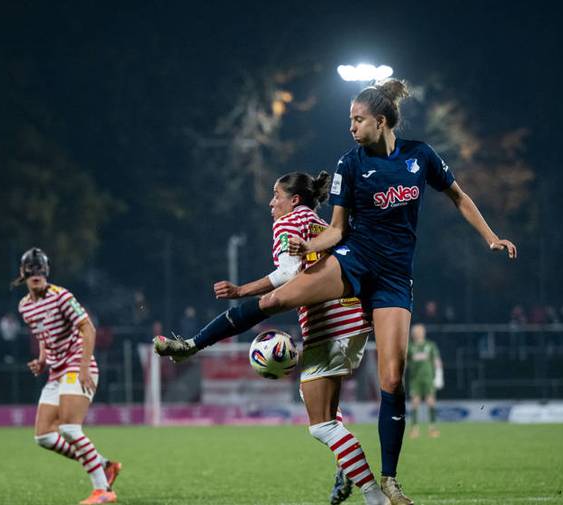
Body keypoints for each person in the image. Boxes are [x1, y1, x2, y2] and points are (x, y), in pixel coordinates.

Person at [154, 78, 516, 505]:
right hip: (354, 260)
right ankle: (192, 345)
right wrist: (308, 246)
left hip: (395, 278)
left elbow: (458, 196)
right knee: (276, 299)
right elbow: (338, 230)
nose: (351, 128)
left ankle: (389, 480)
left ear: (380, 122)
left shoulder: (421, 157)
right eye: (350, 120)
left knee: (393, 378)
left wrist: (491, 237)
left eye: (357, 120)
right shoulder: (350, 163)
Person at [203, 171, 385, 505]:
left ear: (294, 199)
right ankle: (346, 463)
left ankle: (375, 496)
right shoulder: (320, 224)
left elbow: (287, 274)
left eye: (276, 195)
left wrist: (242, 291)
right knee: (315, 401)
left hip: (330, 325)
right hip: (355, 317)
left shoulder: (288, 222)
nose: (272, 203)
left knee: (321, 426)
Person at [14, 247, 121, 505]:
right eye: (31, 269)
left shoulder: (61, 296)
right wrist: (42, 360)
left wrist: (83, 368)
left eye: (40, 269)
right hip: (56, 370)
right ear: (23, 273)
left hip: (76, 365)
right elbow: (43, 335)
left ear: (47, 272)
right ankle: (104, 464)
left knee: (69, 428)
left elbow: (89, 329)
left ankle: (103, 490)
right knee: (44, 436)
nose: (36, 273)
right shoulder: (25, 307)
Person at [406, 323, 442, 439]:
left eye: (419, 331)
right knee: (415, 403)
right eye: (415, 331)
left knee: (431, 401)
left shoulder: (430, 345)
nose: (417, 333)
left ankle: (432, 428)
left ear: (423, 333)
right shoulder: (410, 347)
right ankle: (415, 429)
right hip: (415, 379)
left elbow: (436, 360)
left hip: (428, 378)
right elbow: (405, 362)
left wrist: (439, 376)